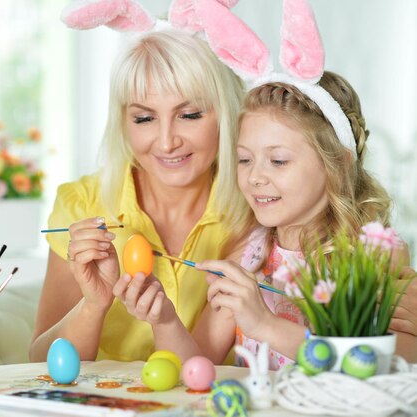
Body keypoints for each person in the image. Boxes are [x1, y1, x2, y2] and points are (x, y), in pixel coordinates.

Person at [115, 70, 417, 368]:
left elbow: (393, 360)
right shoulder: (249, 254)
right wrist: (164, 318)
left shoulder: (372, 253)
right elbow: (195, 368)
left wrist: (266, 325)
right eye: (244, 159)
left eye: (278, 161)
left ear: (337, 164)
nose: (255, 177)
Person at [28, 25, 244, 362]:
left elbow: (199, 371)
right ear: (123, 122)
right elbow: (40, 361)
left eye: (189, 115)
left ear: (226, 114)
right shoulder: (82, 203)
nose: (167, 141)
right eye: (144, 118)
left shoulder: (253, 214)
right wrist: (93, 306)